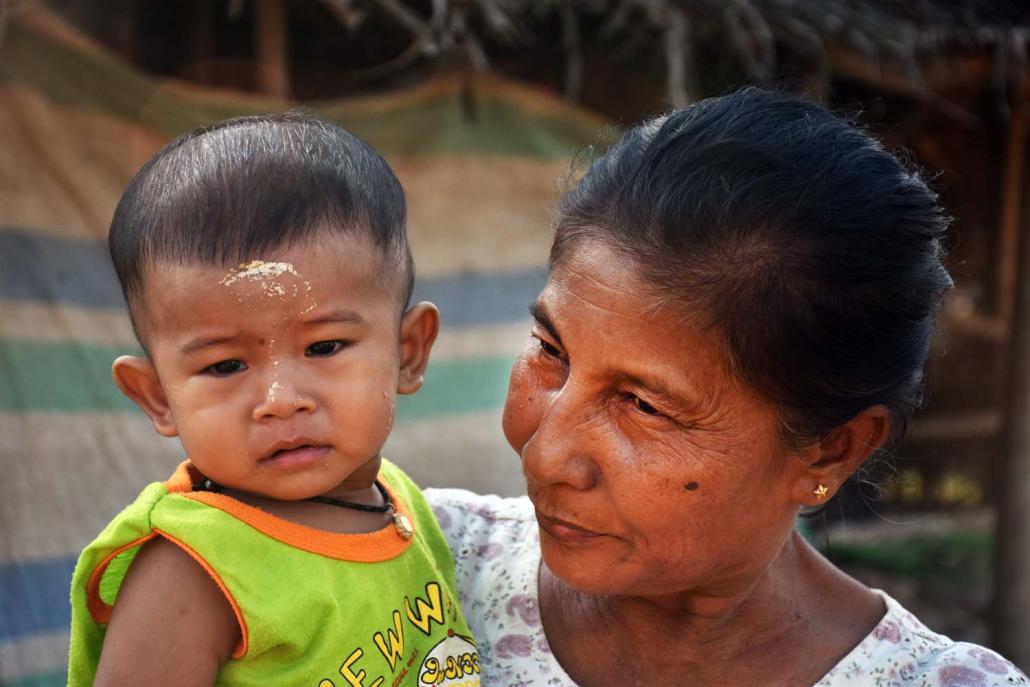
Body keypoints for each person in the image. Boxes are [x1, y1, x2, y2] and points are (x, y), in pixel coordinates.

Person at [426, 88, 1029, 686]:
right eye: (551, 351)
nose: (545, 455)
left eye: (643, 405)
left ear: (831, 449)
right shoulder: (413, 569)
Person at [67, 113, 481, 687]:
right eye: (225, 365)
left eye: (325, 346)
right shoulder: (195, 571)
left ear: (407, 351)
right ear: (158, 397)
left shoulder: (399, 502)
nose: (281, 401)